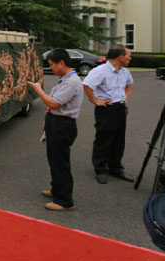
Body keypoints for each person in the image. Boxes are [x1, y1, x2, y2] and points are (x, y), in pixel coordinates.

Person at [27, 49, 83, 211]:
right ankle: (56, 190)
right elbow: (53, 105)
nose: (50, 67)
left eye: (52, 64)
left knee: (60, 163)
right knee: (54, 160)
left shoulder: (71, 82)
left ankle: (64, 201)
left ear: (61, 63)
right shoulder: (65, 80)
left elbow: (54, 103)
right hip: (57, 122)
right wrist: (47, 120)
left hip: (63, 125)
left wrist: (38, 89)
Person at [82, 45, 134, 184]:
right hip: (106, 109)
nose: (130, 58)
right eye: (128, 56)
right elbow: (87, 85)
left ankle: (115, 168)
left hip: (120, 108)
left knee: (118, 140)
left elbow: (130, 85)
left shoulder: (125, 72)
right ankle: (100, 169)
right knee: (104, 139)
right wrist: (95, 101)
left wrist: (125, 97)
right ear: (120, 57)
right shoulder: (100, 71)